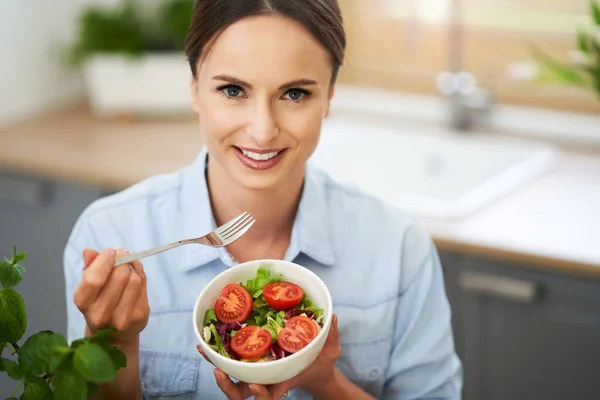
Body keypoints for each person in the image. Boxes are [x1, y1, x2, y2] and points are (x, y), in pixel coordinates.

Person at [63, 0, 463, 399]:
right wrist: (114, 346)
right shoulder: (110, 235)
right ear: (194, 90)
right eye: (233, 90)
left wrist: (325, 381)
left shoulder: (398, 248)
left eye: (294, 93)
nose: (262, 131)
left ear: (329, 98)